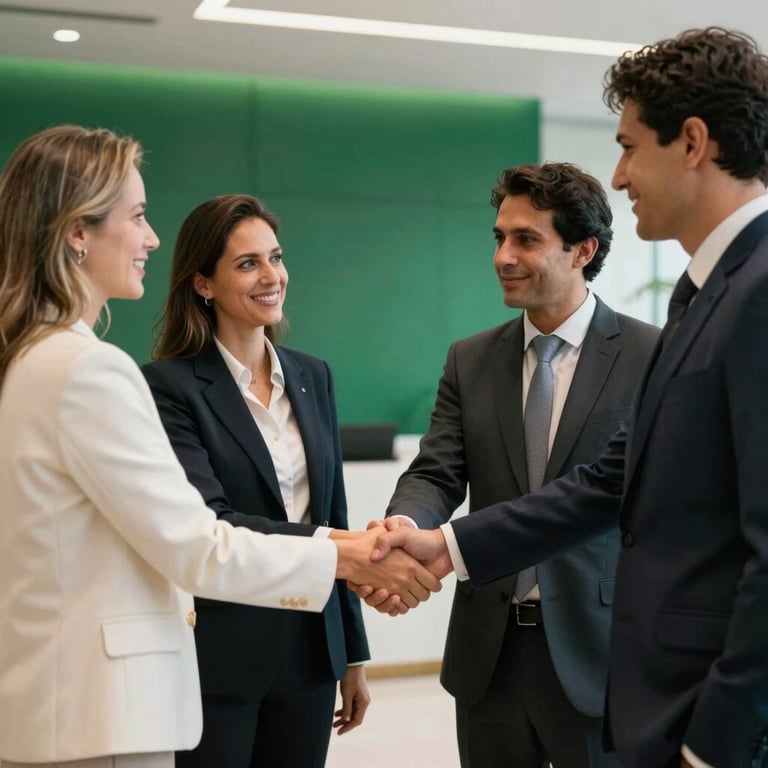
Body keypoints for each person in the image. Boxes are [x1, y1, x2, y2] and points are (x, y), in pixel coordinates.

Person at [368, 27, 768, 768]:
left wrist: (717, 738)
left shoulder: (754, 292)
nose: (619, 176)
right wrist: (441, 543)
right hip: (596, 685)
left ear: (692, 142)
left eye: (628, 146)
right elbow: (607, 483)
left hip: (698, 714)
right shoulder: (702, 297)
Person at [0, 124, 439, 768]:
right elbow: (198, 542)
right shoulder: (91, 369)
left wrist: (349, 626)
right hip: (107, 712)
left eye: (276, 256)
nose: (151, 237)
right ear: (77, 233)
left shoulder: (30, 357)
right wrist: (355, 554)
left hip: (69, 708)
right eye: (139, 216)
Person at [378, 162, 657, 768]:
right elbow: (437, 471)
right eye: (500, 237)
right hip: (489, 655)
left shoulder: (651, 355)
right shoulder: (471, 359)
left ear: (583, 249)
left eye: (527, 239)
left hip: (601, 649)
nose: (504, 255)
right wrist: (402, 526)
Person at [142, 194, 369, 768]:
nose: (272, 276)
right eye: (248, 264)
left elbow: (332, 513)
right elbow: (211, 522)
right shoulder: (169, 388)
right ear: (204, 284)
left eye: (276, 257)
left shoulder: (313, 376)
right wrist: (344, 550)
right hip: (219, 655)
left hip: (313, 653)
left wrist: (354, 657)